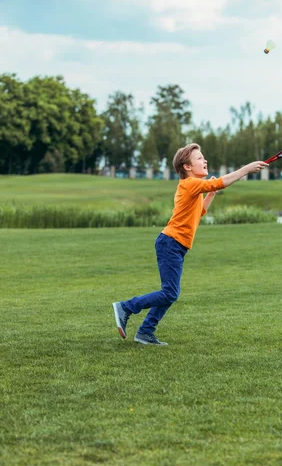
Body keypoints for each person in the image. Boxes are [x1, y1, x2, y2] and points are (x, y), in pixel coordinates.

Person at [113, 143, 268, 345]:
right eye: (199, 158)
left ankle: (145, 331)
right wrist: (246, 169)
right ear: (187, 167)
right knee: (169, 292)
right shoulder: (190, 183)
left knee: (169, 293)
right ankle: (126, 307)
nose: (205, 161)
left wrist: (210, 194)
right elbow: (220, 182)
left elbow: (199, 212)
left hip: (175, 245)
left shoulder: (192, 188)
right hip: (171, 243)